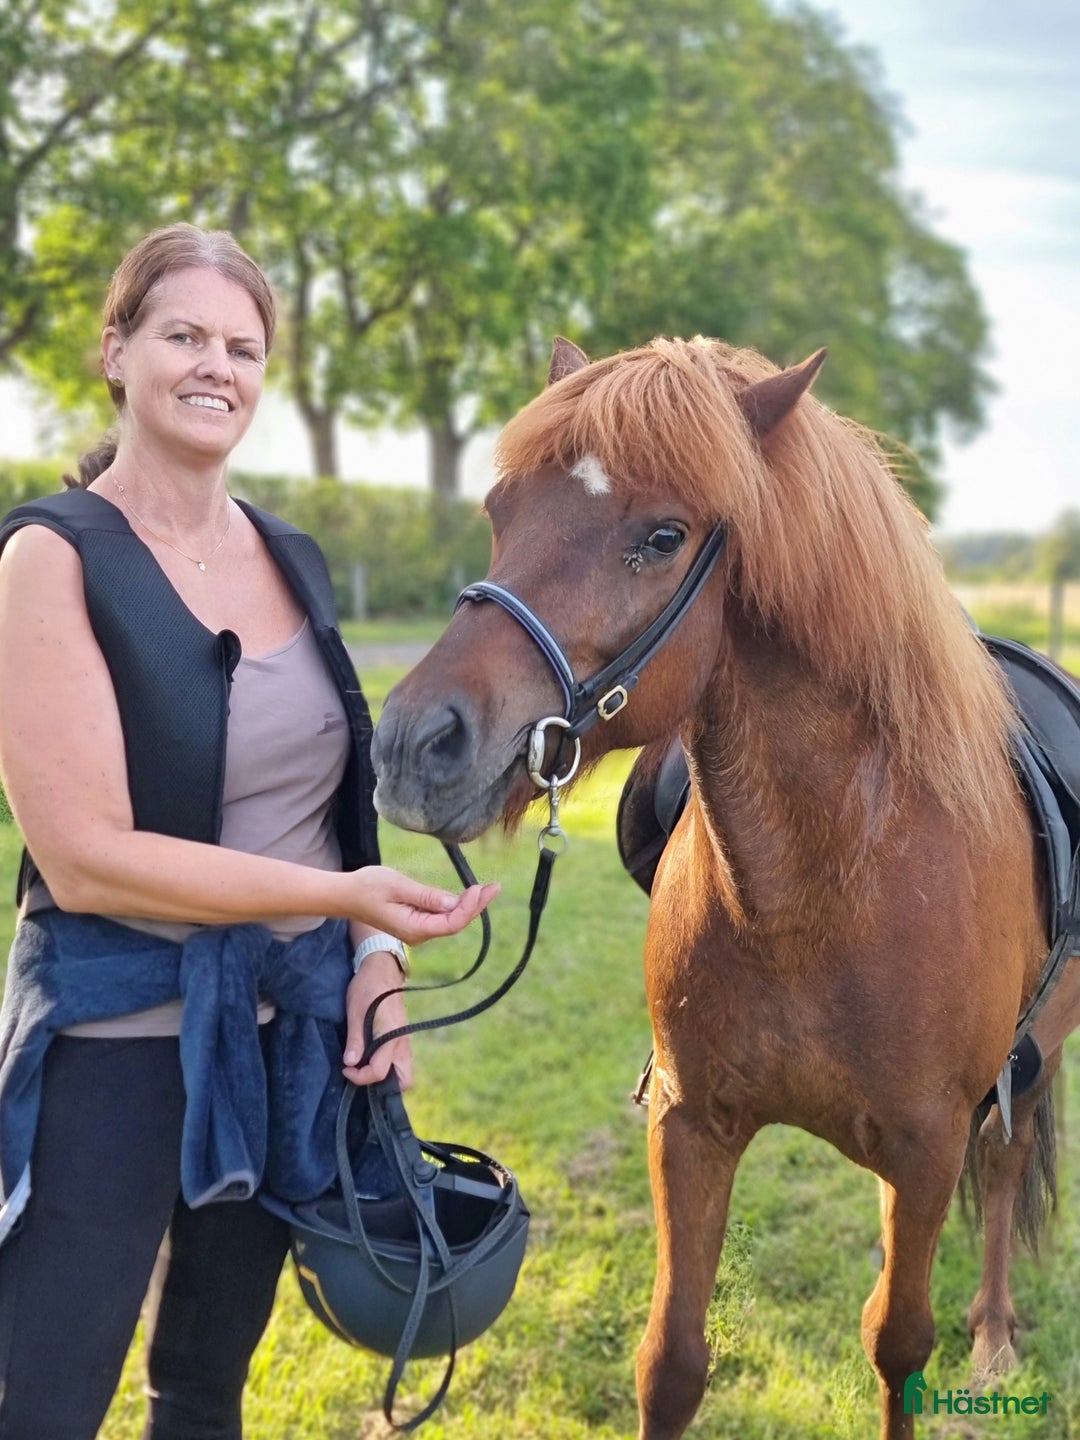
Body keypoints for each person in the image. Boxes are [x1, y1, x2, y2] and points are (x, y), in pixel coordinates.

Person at [0, 223, 497, 1440]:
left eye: (244, 345)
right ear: (116, 352)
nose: (217, 365)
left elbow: (333, 811)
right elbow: (83, 854)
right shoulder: (47, 559)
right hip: (117, 1041)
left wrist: (373, 964)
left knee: (206, 1387)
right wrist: (346, 913)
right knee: (44, 1401)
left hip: (288, 1043)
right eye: (184, 336)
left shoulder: (294, 556)